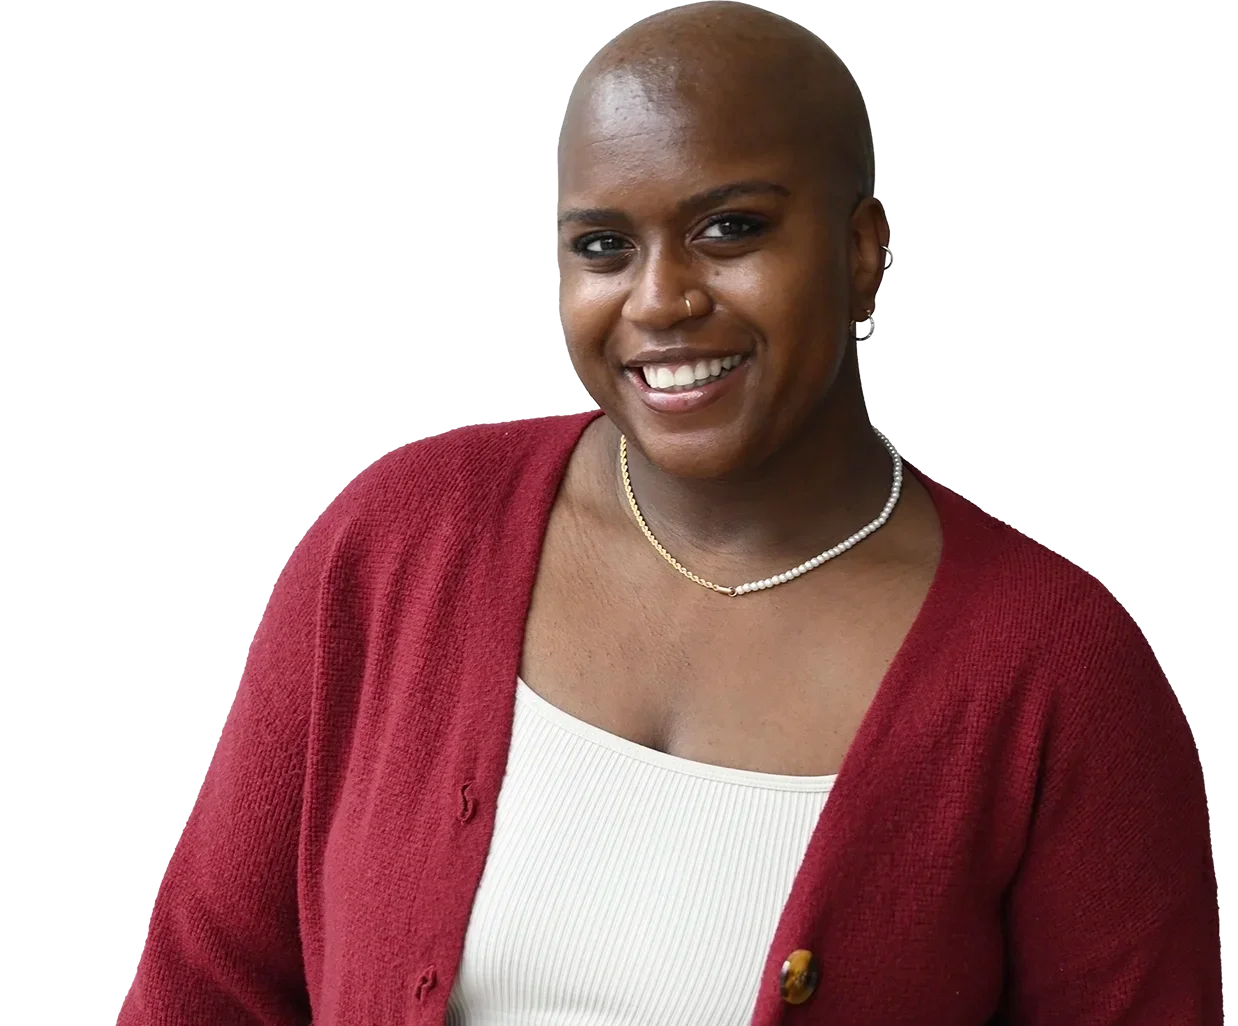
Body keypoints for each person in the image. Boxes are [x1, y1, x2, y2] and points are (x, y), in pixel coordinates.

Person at [117, 3, 1222, 1024]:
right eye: (603, 246)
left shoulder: (1056, 673)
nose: (658, 300)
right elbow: (204, 981)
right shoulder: (404, 537)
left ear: (860, 252)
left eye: (729, 229)